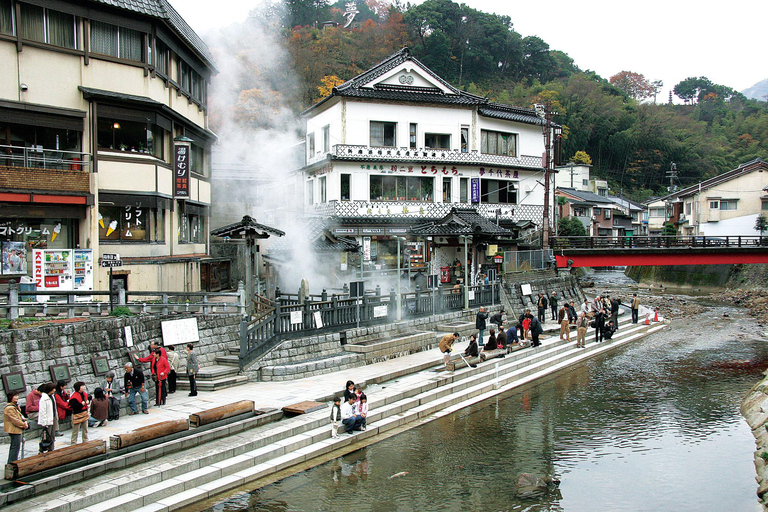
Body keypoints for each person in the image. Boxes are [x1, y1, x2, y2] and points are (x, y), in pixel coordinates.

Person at [4, 391, 28, 463]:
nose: (17, 397)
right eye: (15, 396)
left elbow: (19, 416)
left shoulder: (15, 406)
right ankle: (12, 462)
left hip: (16, 429)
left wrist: (24, 420)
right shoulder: (10, 408)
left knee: (15, 446)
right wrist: (24, 425)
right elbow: (15, 420)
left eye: (17, 396)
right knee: (15, 447)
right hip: (13, 429)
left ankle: (13, 461)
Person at [37, 383, 56, 453]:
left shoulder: (51, 396)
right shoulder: (43, 399)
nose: (54, 390)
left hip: (52, 418)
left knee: (52, 435)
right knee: (47, 436)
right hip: (47, 420)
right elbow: (42, 411)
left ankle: (51, 449)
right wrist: (44, 423)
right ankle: (42, 449)